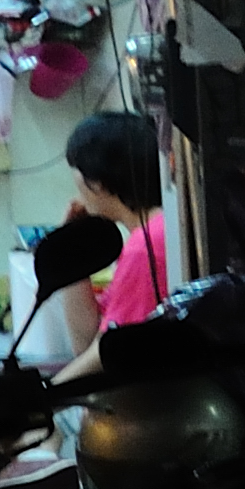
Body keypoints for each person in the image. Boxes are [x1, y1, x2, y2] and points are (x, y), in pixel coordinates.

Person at [48, 110, 173, 379]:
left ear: (98, 182)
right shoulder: (150, 234)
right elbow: (87, 341)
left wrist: (48, 395)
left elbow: (105, 353)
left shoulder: (147, 246)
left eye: (77, 171)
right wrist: (71, 245)